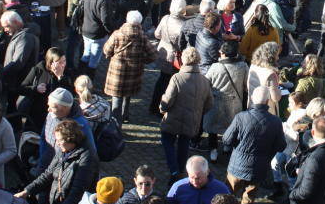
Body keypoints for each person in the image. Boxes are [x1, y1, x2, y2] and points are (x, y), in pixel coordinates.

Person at [16, 119, 98, 204]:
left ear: (71, 139)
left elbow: (78, 190)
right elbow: (48, 174)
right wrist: (27, 191)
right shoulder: (64, 150)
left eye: (60, 140)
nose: (57, 143)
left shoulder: (88, 158)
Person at [222, 86, 286, 204]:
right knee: (248, 199)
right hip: (258, 169)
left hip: (237, 166)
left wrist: (238, 146)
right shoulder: (276, 121)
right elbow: (281, 146)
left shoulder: (241, 117)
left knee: (227, 195)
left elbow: (226, 139)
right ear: (268, 101)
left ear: (251, 98)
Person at [160, 47, 213, 179]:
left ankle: (174, 171)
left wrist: (162, 108)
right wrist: (198, 112)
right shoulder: (204, 81)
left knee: (167, 141)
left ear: (183, 59)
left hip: (173, 118)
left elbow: (168, 100)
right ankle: (181, 170)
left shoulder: (177, 78)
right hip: (192, 121)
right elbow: (209, 104)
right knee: (184, 145)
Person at [104, 10, 158, 123]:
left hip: (117, 73)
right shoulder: (142, 37)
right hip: (133, 73)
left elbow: (106, 50)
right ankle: (124, 116)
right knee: (127, 95)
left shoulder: (117, 34)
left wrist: (111, 56)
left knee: (116, 99)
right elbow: (153, 55)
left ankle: (115, 124)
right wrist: (142, 61)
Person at [204, 41, 249, 162]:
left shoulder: (215, 67)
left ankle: (213, 150)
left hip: (216, 103)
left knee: (213, 127)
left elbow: (206, 83)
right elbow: (246, 86)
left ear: (223, 53)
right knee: (231, 126)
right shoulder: (243, 66)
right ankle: (227, 146)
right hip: (235, 103)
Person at [18, 47, 73, 131]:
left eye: (64, 61)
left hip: (56, 115)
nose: (63, 65)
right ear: (51, 62)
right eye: (59, 62)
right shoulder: (39, 69)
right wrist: (36, 88)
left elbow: (69, 95)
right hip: (36, 114)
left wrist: (60, 78)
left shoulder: (67, 73)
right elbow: (22, 88)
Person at [81, 0, 117, 78]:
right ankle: (89, 80)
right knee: (94, 60)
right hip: (97, 34)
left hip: (85, 30)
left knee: (86, 54)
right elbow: (105, 20)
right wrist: (111, 31)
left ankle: (79, 76)